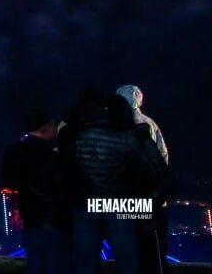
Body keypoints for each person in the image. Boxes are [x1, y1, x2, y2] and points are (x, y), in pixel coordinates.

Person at [61, 88, 167, 274]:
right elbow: (153, 170)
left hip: (85, 204)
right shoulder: (127, 134)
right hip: (119, 204)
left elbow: (68, 170)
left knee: (84, 262)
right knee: (127, 260)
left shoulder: (77, 135)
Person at [0, 109, 67, 274]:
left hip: (29, 217)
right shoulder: (51, 155)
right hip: (52, 219)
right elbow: (60, 186)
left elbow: (9, 181)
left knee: (34, 263)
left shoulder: (14, 152)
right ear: (46, 127)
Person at [117, 84, 170, 274]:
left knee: (129, 249)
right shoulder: (149, 124)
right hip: (150, 199)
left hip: (123, 200)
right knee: (153, 251)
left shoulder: (114, 126)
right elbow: (162, 158)